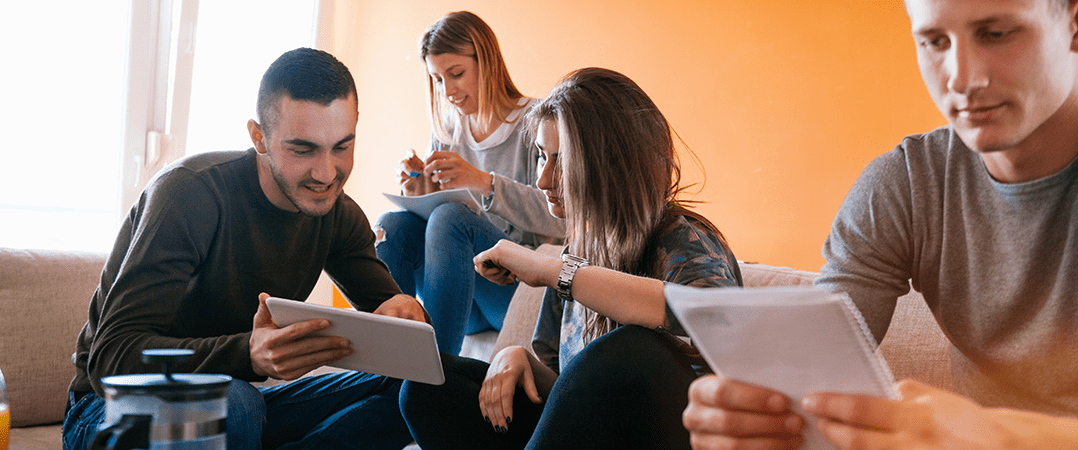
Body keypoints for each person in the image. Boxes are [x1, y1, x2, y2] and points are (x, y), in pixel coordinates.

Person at [683, 0, 1078, 448]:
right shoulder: (905, 184)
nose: (962, 78)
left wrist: (1003, 437)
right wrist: (755, 416)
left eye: (996, 34)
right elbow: (806, 370)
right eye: (934, 41)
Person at [63, 48, 428, 450]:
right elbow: (111, 358)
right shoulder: (189, 195)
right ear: (259, 137)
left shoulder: (338, 214)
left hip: (237, 412)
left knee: (418, 388)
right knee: (234, 402)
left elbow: (398, 330)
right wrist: (246, 355)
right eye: (303, 150)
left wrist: (405, 313)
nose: (326, 174)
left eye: (341, 147)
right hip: (105, 411)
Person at [399, 67, 742, 449]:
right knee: (429, 387)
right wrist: (519, 358)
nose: (543, 180)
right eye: (542, 158)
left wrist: (550, 269)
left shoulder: (684, 237)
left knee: (632, 349)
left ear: (612, 162)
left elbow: (718, 318)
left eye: (561, 162)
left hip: (674, 436)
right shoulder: (579, 247)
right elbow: (572, 391)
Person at [373, 11, 564, 356]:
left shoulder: (535, 122)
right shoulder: (447, 130)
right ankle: (386, 360)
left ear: (487, 62)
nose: (448, 91)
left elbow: (560, 219)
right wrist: (418, 190)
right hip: (461, 290)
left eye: (456, 74)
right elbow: (436, 219)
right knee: (392, 226)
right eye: (438, 79)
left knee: (450, 219)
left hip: (514, 291)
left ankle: (438, 371)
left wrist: (484, 183)